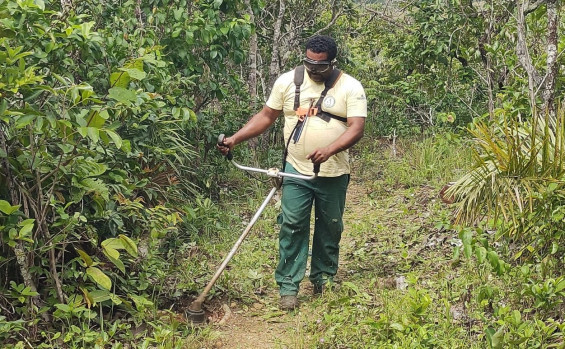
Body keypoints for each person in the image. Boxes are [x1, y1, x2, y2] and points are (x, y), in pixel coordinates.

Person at [217, 35, 367, 310]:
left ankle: (323, 280)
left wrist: (330, 149)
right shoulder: (287, 81)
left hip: (333, 173)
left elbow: (357, 127)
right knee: (292, 224)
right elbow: (266, 116)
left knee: (330, 226)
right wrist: (234, 139)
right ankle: (288, 287)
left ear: (332, 62)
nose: (314, 70)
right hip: (295, 170)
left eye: (320, 66)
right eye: (309, 63)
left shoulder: (350, 86)